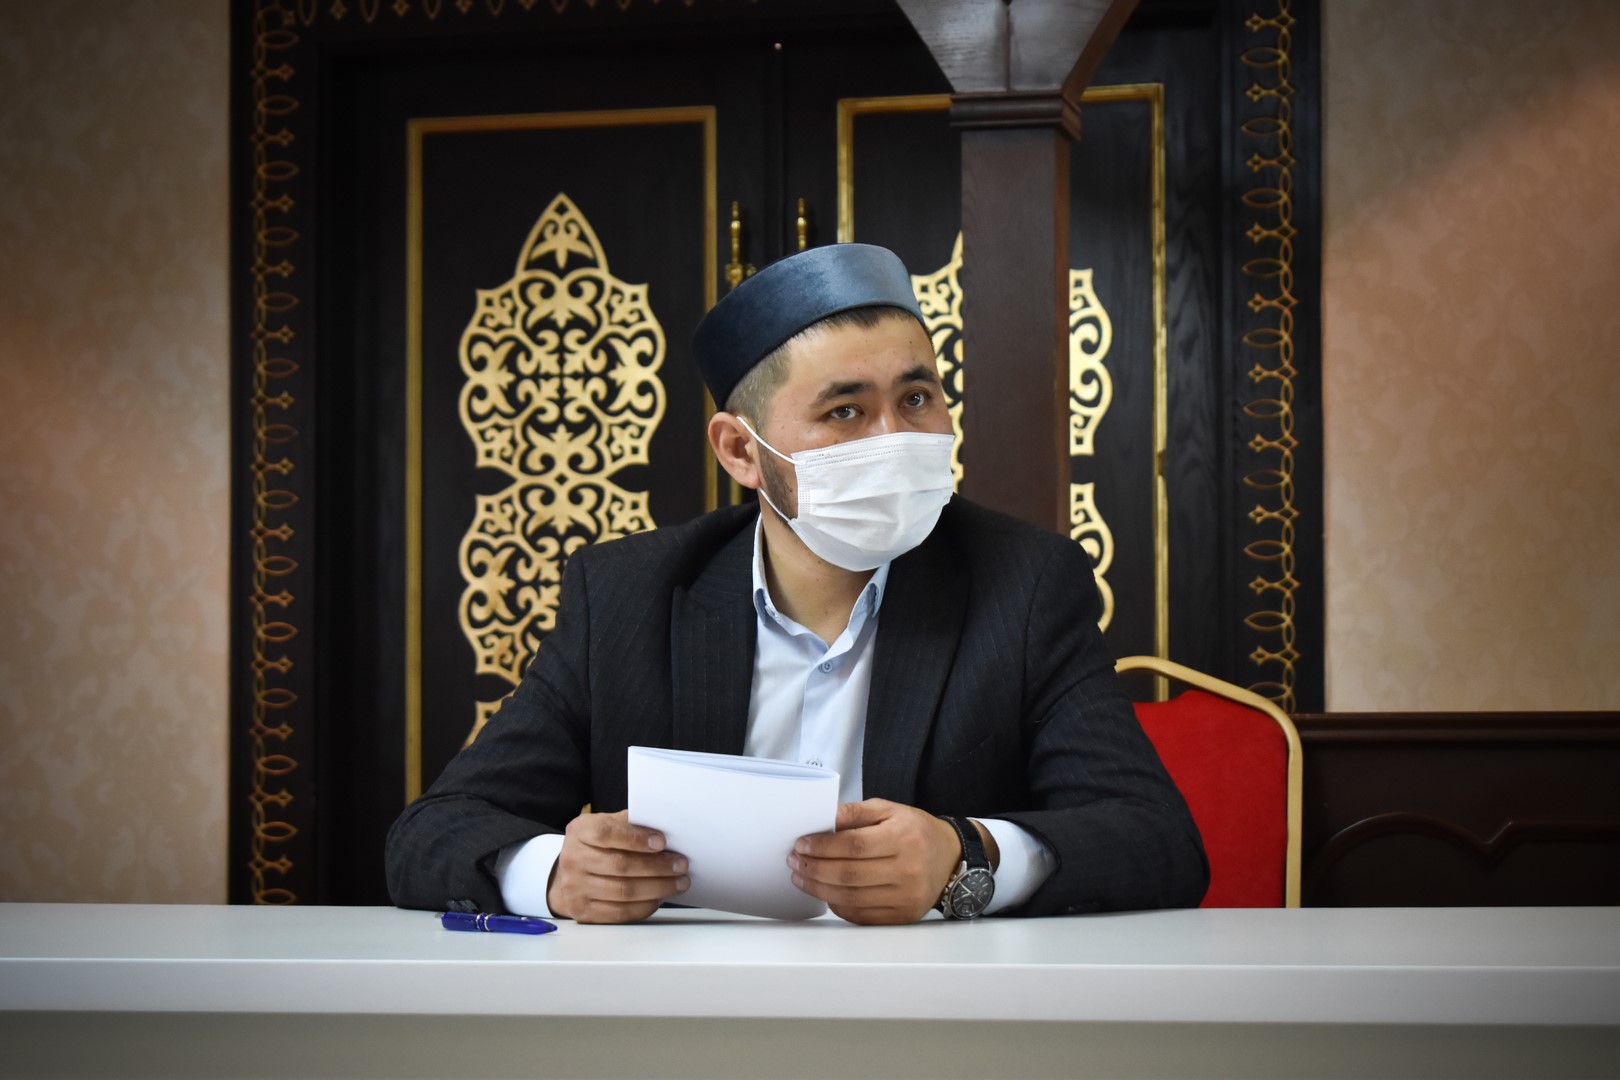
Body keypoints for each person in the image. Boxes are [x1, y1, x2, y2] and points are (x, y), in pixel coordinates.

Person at [386, 243, 1207, 925]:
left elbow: (1157, 841)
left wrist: (966, 856)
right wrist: (555, 874)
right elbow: (431, 832)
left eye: (917, 398)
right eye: (845, 411)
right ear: (741, 452)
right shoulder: (627, 596)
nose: (894, 437)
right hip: (675, 1019)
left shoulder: (1022, 585)